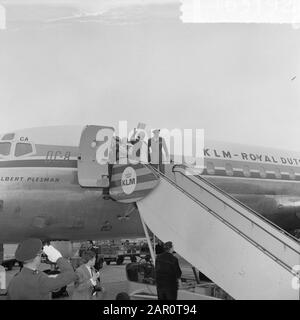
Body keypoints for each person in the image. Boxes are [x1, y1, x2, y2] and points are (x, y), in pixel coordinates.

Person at [7, 238, 77, 300]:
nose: (41, 257)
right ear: (36, 257)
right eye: (40, 254)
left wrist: (49, 277)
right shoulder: (41, 281)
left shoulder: (14, 281)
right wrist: (58, 258)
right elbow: (71, 275)